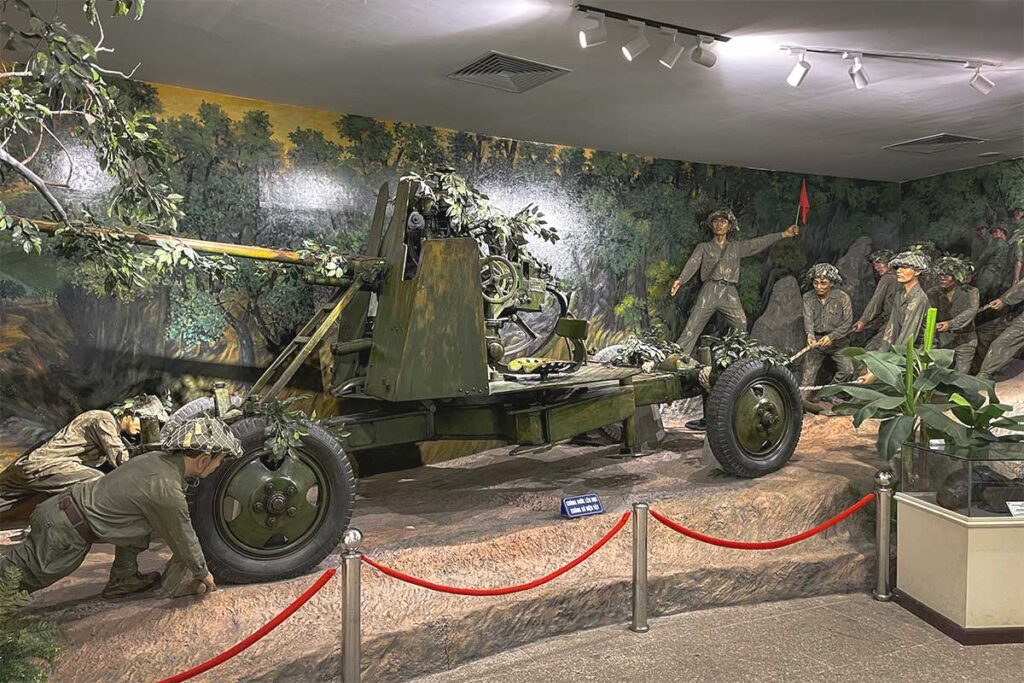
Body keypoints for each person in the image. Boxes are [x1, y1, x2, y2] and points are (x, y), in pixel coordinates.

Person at [0, 416, 239, 599]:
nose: (218, 467)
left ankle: (123, 578)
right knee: (15, 578)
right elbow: (183, 535)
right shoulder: (166, 489)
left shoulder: (155, 459)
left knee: (141, 521)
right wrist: (202, 573)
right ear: (203, 460)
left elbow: (144, 518)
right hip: (66, 531)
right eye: (220, 461)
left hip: (62, 512)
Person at [671, 209, 800, 355]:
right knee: (692, 326)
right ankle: (677, 356)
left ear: (729, 226)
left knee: (740, 323)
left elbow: (758, 243)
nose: (719, 224)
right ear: (711, 225)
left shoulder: (736, 247)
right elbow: (692, 263)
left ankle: (734, 355)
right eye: (715, 221)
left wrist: (784, 234)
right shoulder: (704, 247)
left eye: (723, 221)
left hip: (729, 292)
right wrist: (680, 280)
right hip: (710, 289)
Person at [0, 395, 169, 500]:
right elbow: (121, 461)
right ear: (129, 414)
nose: (144, 426)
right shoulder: (104, 419)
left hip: (46, 468)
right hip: (45, 466)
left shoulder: (112, 428)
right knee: (95, 480)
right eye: (143, 419)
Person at [800, 263, 854, 397]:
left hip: (839, 344)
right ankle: (800, 404)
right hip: (817, 343)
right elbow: (808, 320)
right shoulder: (808, 298)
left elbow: (847, 323)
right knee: (807, 376)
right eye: (816, 283)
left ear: (831, 283)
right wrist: (810, 336)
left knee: (848, 371)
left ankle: (828, 394)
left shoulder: (842, 298)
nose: (819, 287)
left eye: (823, 283)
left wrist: (832, 337)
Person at [928, 256, 979, 374]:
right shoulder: (933, 293)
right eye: (940, 275)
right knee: (940, 375)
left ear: (956, 276)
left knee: (960, 376)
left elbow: (971, 311)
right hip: (943, 340)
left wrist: (950, 324)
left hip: (965, 339)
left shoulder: (971, 292)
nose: (942, 278)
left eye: (947, 275)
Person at [879, 251, 931, 350]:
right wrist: (882, 351)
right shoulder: (900, 294)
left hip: (918, 350)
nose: (898, 271)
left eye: (905, 267)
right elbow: (892, 325)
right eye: (898, 267)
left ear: (917, 271)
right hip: (903, 346)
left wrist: (893, 357)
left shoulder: (918, 299)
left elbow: (909, 334)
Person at [851, 249, 897, 351]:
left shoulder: (887, 279)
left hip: (892, 325)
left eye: (879, 263)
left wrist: (863, 321)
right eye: (874, 264)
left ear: (889, 262)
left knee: (870, 353)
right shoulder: (900, 278)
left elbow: (875, 302)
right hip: (895, 323)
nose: (876, 267)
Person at [973, 226, 1012, 301]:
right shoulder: (1009, 246)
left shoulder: (997, 241)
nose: (993, 234)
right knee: (990, 299)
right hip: (1000, 277)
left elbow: (984, 257)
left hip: (990, 273)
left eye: (995, 231)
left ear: (1002, 232)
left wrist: (973, 270)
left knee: (978, 295)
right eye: (992, 233)